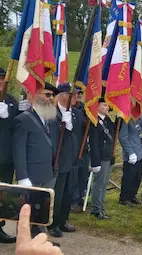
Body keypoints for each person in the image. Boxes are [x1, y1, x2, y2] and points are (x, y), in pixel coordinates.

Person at [14, 83, 61, 237]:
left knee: (43, 210)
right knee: (30, 211)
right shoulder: (23, 119)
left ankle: (40, 238)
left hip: (48, 172)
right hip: (32, 174)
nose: (51, 99)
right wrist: (22, 177)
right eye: (47, 95)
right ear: (35, 95)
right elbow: (18, 150)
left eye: (52, 96)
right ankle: (29, 242)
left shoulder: (50, 119)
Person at [48, 83, 84, 238]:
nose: (75, 97)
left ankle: (63, 220)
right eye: (72, 95)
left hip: (72, 159)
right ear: (62, 95)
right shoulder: (52, 113)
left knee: (69, 193)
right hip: (58, 160)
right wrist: (62, 124)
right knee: (58, 193)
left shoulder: (75, 113)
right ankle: (53, 223)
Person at [0, 67, 20, 243]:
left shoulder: (11, 100)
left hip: (7, 158)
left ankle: (0, 228)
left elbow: (18, 125)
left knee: (3, 194)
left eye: (2, 79)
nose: (0, 83)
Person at [88, 97, 115, 219]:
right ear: (97, 106)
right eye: (104, 105)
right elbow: (93, 143)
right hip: (101, 156)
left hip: (109, 155)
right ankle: (96, 209)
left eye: (107, 105)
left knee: (104, 183)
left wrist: (120, 118)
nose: (107, 107)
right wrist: (95, 161)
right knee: (99, 183)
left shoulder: (108, 119)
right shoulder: (94, 120)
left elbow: (114, 132)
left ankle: (101, 207)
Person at [118, 102, 142, 206]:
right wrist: (130, 152)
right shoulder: (126, 119)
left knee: (137, 177)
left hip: (140, 152)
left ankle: (132, 195)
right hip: (131, 154)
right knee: (129, 177)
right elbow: (123, 137)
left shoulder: (140, 118)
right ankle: (124, 198)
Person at [71, 87, 90, 212]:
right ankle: (73, 200)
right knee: (74, 175)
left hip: (85, 147)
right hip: (74, 146)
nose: (78, 96)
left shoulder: (85, 108)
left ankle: (80, 197)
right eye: (76, 94)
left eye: (80, 94)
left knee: (83, 174)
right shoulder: (70, 109)